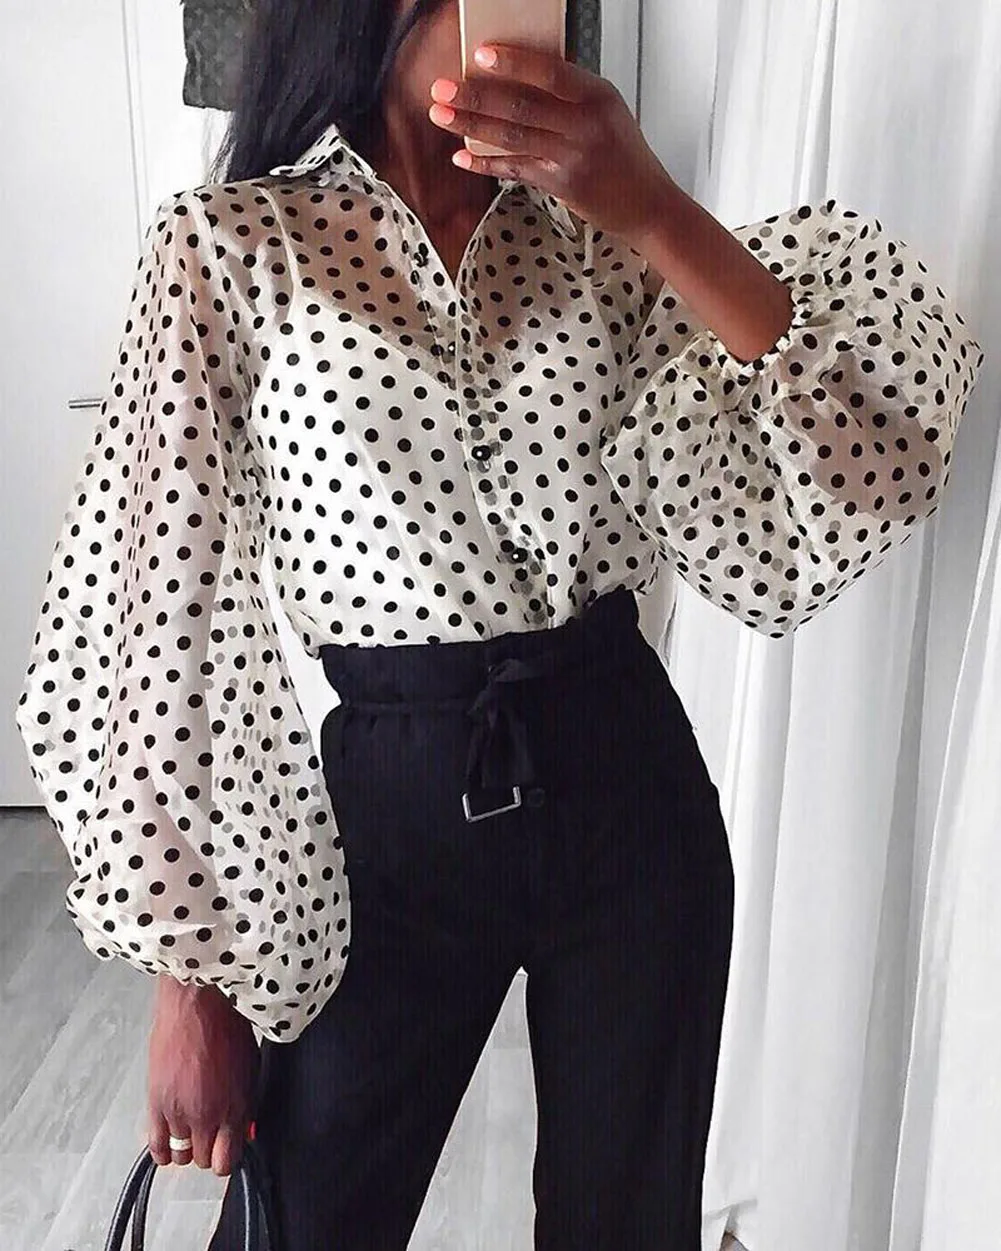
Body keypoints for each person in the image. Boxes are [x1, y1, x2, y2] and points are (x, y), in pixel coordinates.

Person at [14, 0, 984, 1247]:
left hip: (625, 776)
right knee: (309, 1218)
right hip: (393, 815)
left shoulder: (599, 239)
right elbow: (155, 621)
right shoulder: (233, 246)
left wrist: (653, 209)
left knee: (625, 1223)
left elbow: (865, 442)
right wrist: (190, 987)